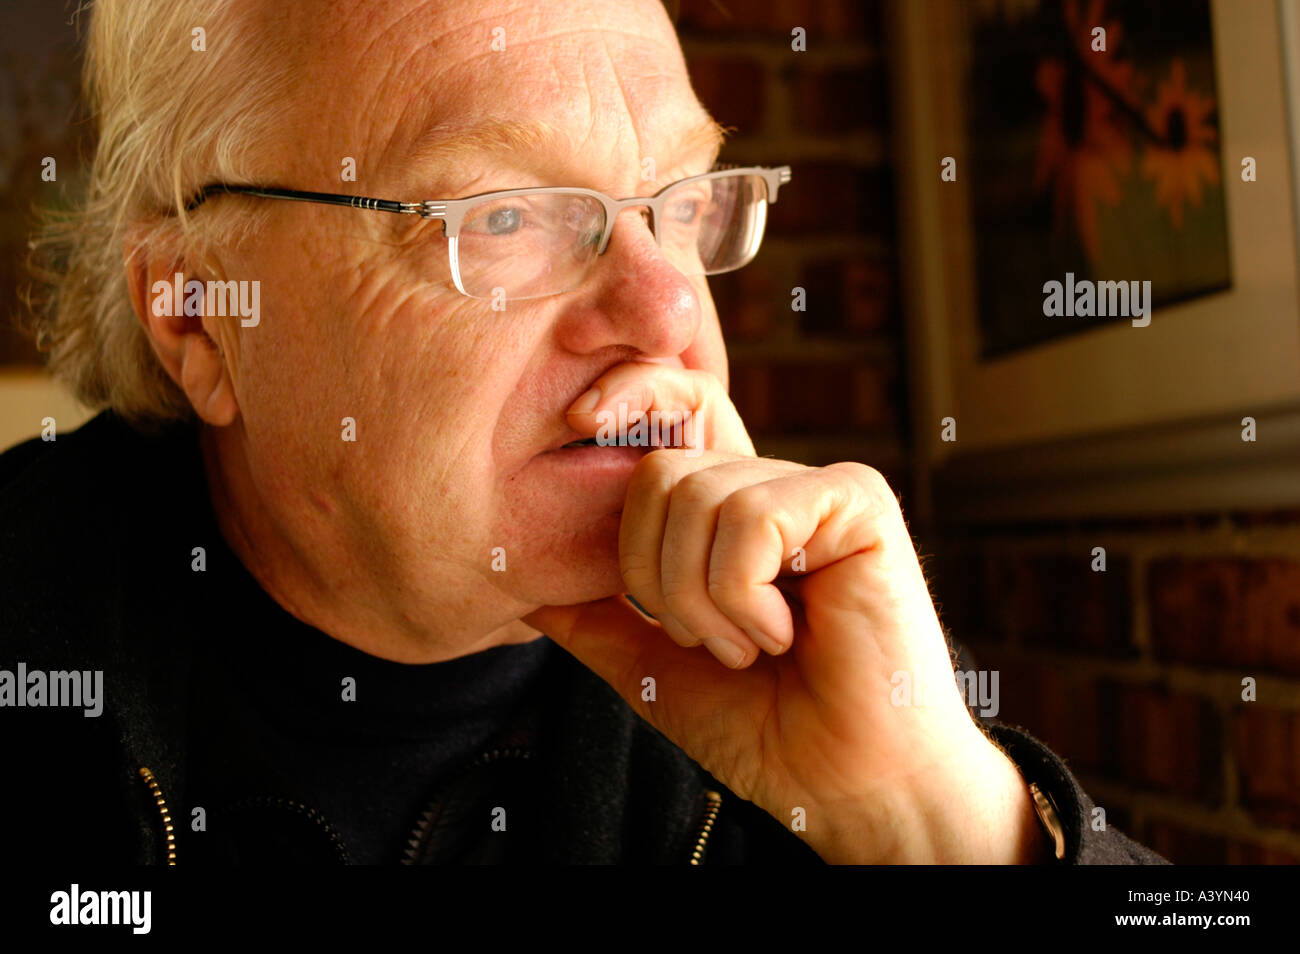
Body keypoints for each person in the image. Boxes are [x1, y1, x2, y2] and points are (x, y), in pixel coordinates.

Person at [2, 0, 1166, 865]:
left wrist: (937, 822)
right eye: (505, 216)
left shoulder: (801, 672)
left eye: (681, 203)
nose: (668, 314)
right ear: (199, 315)